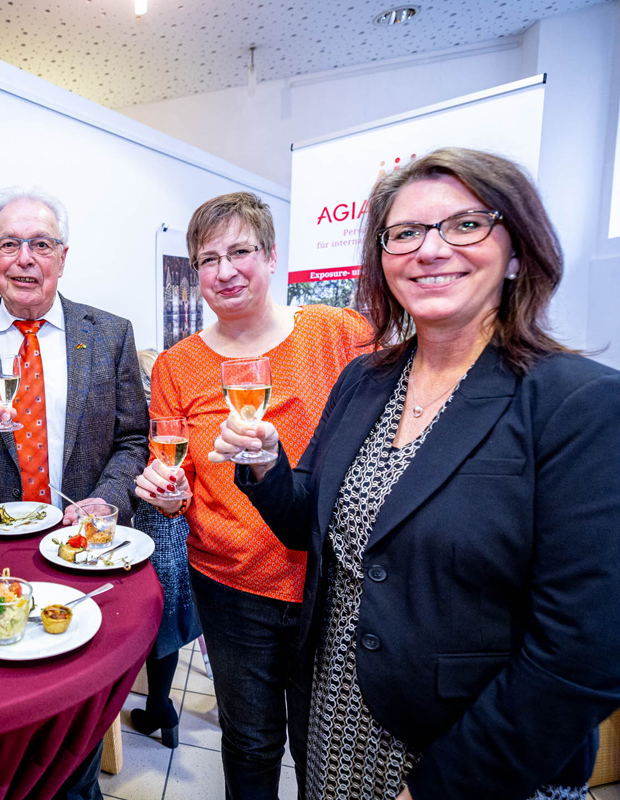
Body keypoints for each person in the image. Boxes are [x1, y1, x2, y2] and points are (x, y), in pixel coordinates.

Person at [219, 148, 620, 800]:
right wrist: (263, 463)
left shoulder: (578, 402)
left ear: (517, 251)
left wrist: (437, 788)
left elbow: (581, 658)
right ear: (382, 259)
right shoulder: (365, 380)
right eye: (404, 233)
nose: (430, 250)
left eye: (465, 225)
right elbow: (311, 530)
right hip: (335, 725)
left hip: (472, 758)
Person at [135, 191, 371, 798]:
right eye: (208, 260)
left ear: (269, 256)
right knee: (250, 739)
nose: (225, 271)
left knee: (320, 743)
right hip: (231, 584)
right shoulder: (177, 366)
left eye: (240, 251)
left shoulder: (338, 334)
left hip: (331, 579)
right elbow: (175, 477)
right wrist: (165, 495)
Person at [0, 186, 149, 799]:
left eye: (41, 244)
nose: (24, 258)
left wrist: (106, 499)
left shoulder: (109, 334)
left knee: (71, 722)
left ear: (63, 256)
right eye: (8, 244)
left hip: (86, 550)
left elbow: (135, 440)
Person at [130, 349, 203, 749]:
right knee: (167, 625)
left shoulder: (144, 420)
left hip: (150, 522)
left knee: (145, 622)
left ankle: (158, 709)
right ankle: (161, 705)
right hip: (174, 532)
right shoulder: (174, 413)